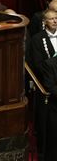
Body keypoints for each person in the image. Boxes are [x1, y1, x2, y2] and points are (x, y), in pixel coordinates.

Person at [27, 9, 57, 160]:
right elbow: (37, 64)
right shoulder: (37, 39)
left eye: (56, 18)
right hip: (47, 84)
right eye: (51, 19)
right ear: (45, 22)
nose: (55, 21)